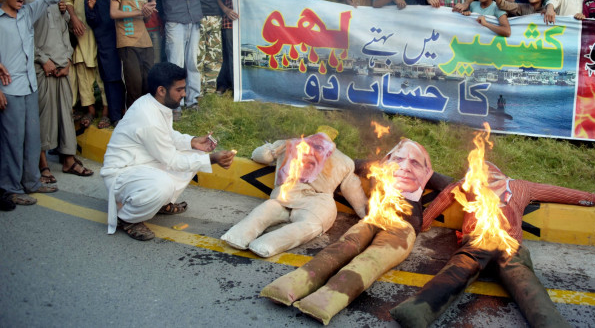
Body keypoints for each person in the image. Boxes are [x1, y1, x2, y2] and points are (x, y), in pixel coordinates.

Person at [390, 161, 595, 328]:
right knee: (528, 287)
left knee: (453, 275)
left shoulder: (469, 184)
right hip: (509, 245)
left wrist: (418, 225)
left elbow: (438, 204)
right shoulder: (520, 186)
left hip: (478, 242)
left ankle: (416, 312)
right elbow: (559, 192)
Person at [260, 139, 449, 325]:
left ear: (425, 170)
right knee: (341, 248)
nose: (406, 166)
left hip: (402, 227)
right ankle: (291, 285)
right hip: (372, 217)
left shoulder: (426, 176)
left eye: (415, 162)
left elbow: (458, 185)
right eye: (399, 159)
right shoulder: (376, 166)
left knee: (371, 260)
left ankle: (328, 300)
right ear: (389, 158)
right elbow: (346, 163)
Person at [101, 62, 236, 241]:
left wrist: (193, 142)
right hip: (122, 174)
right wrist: (213, 159)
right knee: (162, 184)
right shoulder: (147, 116)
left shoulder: (156, 104)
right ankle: (127, 218)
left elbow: (169, 136)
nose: (184, 94)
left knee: (195, 154)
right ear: (161, 90)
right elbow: (172, 160)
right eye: (179, 90)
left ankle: (160, 203)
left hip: (143, 164)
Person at [221, 131, 367, 257]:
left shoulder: (288, 144)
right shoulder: (345, 161)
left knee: (265, 211)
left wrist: (272, 149)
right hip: (316, 203)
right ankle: (266, 244)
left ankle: (238, 237)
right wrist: (368, 215)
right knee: (307, 226)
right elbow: (355, 193)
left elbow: (260, 156)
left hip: (287, 197)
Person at [0, 0, 69, 205]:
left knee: (32, 139)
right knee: (12, 141)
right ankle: (10, 188)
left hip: (30, 87)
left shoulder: (27, 14)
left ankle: (31, 182)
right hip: (9, 90)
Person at [26, 0, 94, 181]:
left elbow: (66, 33)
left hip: (62, 65)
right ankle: (42, 164)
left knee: (65, 114)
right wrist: (42, 59)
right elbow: (24, 36)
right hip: (40, 66)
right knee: (42, 117)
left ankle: (67, 160)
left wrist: (66, 59)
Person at [61, 0, 113, 130]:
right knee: (83, 70)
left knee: (104, 71)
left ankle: (106, 111)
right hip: (82, 30)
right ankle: (90, 109)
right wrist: (74, 19)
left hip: (103, 32)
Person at [110, 0, 156, 108]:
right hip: (128, 40)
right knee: (134, 84)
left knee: (149, 81)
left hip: (146, 42)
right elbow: (114, 13)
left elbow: (145, 19)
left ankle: (146, 116)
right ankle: (131, 121)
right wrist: (140, 12)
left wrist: (148, 13)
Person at [84, 0, 125, 126]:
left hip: (122, 39)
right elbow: (92, 23)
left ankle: (126, 111)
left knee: (126, 79)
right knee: (111, 79)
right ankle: (115, 116)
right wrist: (92, 10)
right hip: (106, 44)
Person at [217, 0, 260, 95]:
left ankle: (243, 85)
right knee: (230, 54)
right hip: (229, 22)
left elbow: (256, 2)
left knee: (244, 54)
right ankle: (233, 87)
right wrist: (226, 10)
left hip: (246, 24)